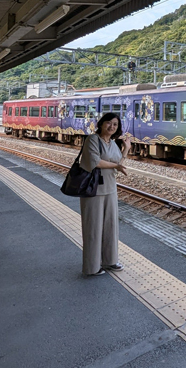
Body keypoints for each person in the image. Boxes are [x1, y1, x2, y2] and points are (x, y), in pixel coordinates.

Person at [79, 112, 131, 276]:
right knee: (93, 229)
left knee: (111, 227)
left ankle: (110, 261)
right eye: (108, 123)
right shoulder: (92, 140)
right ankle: (92, 267)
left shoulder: (113, 144)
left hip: (110, 189)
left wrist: (126, 150)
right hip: (93, 190)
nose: (111, 126)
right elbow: (95, 162)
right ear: (101, 124)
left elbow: (119, 165)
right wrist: (115, 167)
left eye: (115, 124)